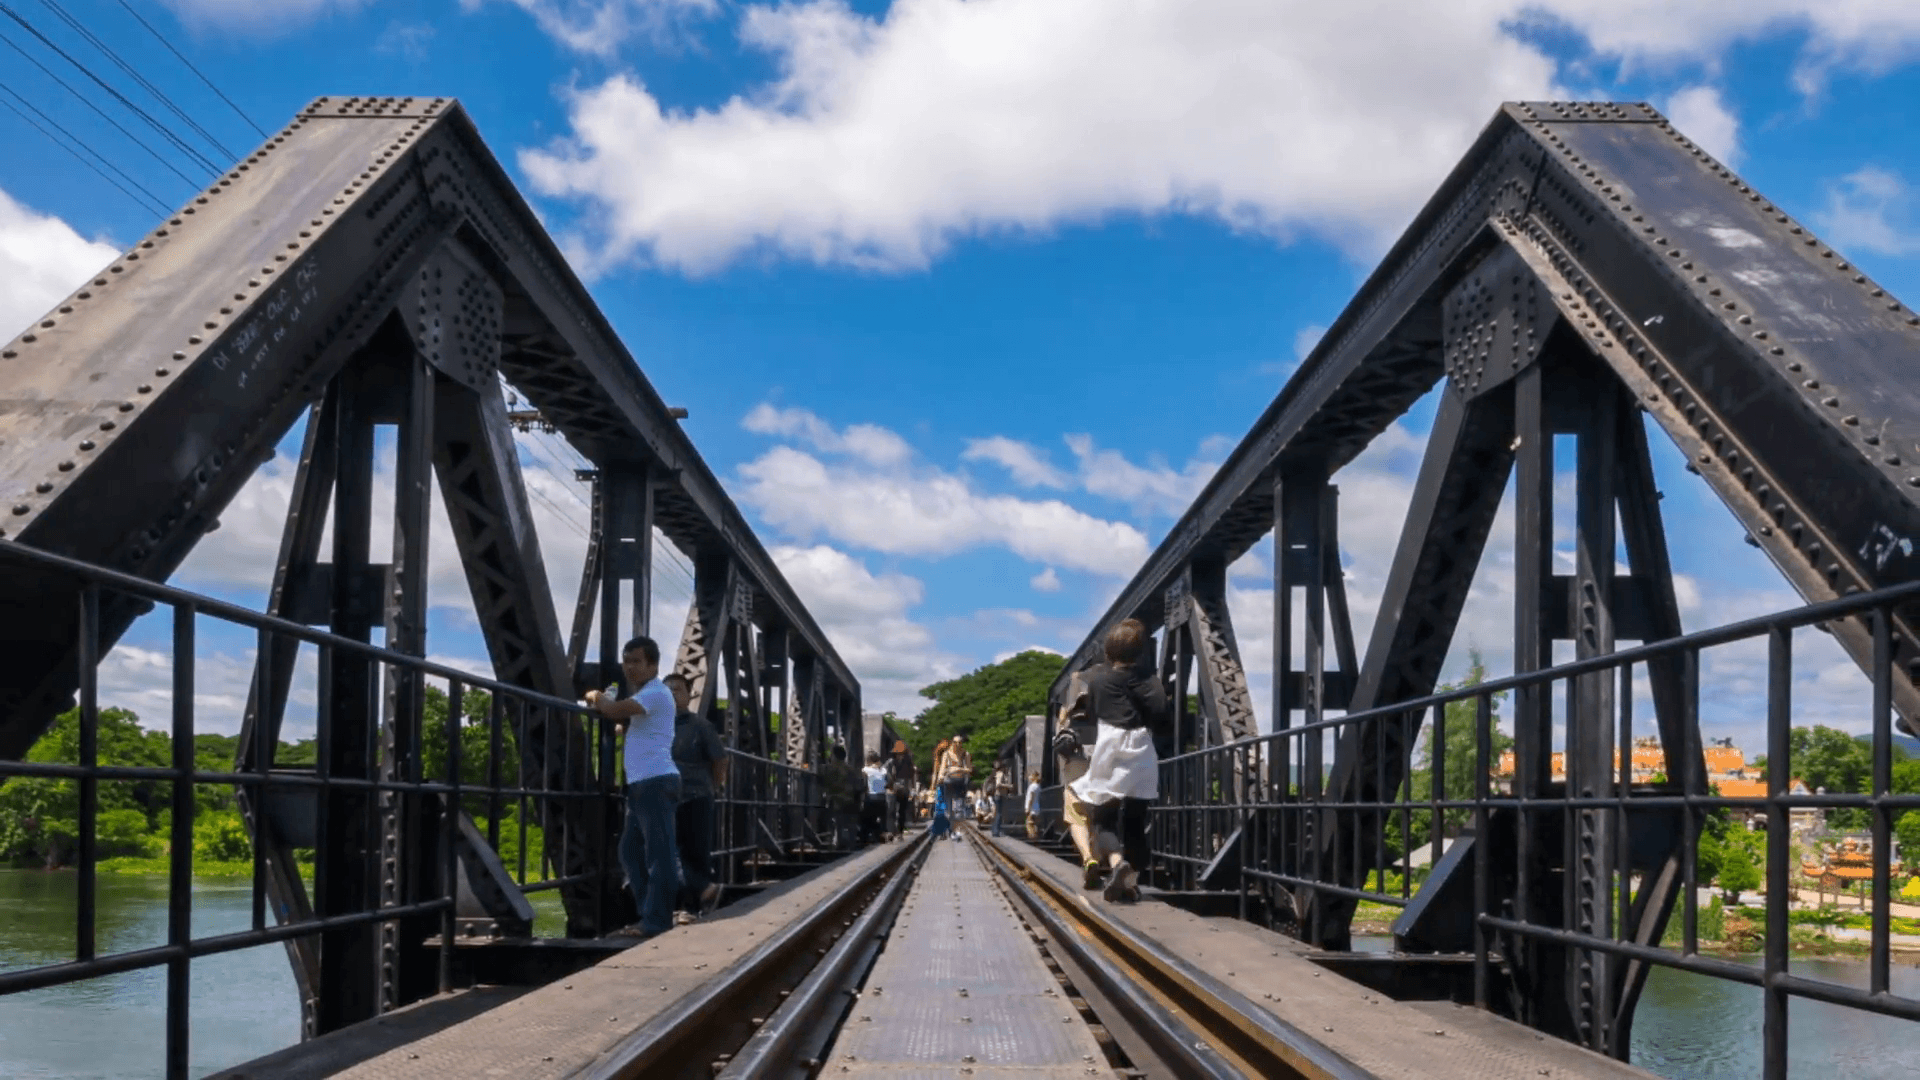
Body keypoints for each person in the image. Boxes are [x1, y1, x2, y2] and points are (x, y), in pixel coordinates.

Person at [1068, 618, 1168, 903]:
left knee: (1103, 820)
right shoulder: (1149, 680)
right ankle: (1131, 881)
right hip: (1141, 747)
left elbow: (1092, 714)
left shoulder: (1099, 681)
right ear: (1141, 652)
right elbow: (1161, 713)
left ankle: (1116, 865)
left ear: (1110, 651)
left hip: (1110, 745)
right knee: (1136, 821)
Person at [587, 636, 681, 939]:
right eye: (626, 660)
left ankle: (657, 921)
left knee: (658, 855)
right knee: (630, 851)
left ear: (652, 664)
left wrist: (595, 696)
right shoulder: (648, 696)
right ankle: (650, 913)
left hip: (655, 781)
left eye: (636, 661)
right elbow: (631, 721)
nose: (629, 667)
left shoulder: (656, 692)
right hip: (643, 784)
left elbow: (613, 710)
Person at [667, 672, 725, 922]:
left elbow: (720, 760)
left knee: (695, 852)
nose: (671, 695)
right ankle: (699, 893)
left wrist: (714, 785)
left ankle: (691, 907)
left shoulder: (700, 725)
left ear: (689, 695)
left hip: (696, 795)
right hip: (668, 796)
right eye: (666, 691)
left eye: (677, 690)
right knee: (673, 851)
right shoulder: (656, 723)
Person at [822, 745, 863, 847]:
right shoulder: (851, 770)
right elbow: (859, 786)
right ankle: (850, 845)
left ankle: (836, 843)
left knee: (836, 823)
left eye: (831, 755)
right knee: (851, 825)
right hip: (852, 802)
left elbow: (826, 783)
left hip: (838, 802)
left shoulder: (831, 769)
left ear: (835, 756)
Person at [936, 734, 972, 840]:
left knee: (958, 807)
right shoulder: (947, 754)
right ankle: (949, 830)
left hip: (960, 782)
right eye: (955, 742)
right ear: (952, 743)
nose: (957, 744)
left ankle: (955, 831)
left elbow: (969, 769)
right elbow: (942, 768)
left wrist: (958, 769)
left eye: (959, 742)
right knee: (948, 807)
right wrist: (940, 778)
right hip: (949, 782)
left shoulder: (965, 754)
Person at [886, 740, 916, 837]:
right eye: (898, 753)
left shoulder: (908, 763)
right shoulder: (890, 762)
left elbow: (911, 777)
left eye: (902, 753)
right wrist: (891, 783)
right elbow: (885, 773)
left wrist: (912, 789)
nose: (900, 755)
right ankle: (891, 831)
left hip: (904, 789)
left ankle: (900, 831)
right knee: (891, 810)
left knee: (902, 811)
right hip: (892, 788)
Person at [860, 750, 890, 843]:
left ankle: (866, 839)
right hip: (882, 798)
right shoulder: (883, 770)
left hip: (870, 798)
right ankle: (881, 836)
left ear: (868, 760)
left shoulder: (865, 770)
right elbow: (889, 783)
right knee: (882, 819)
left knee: (867, 819)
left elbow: (863, 784)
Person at [1025, 770, 1043, 840]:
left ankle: (1032, 839)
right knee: (1034, 825)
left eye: (1030, 776)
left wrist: (1028, 808)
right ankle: (1036, 839)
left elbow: (1030, 798)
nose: (1029, 777)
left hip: (1031, 809)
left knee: (1029, 825)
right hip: (1036, 808)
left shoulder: (1032, 786)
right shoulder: (1038, 786)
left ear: (1033, 777)